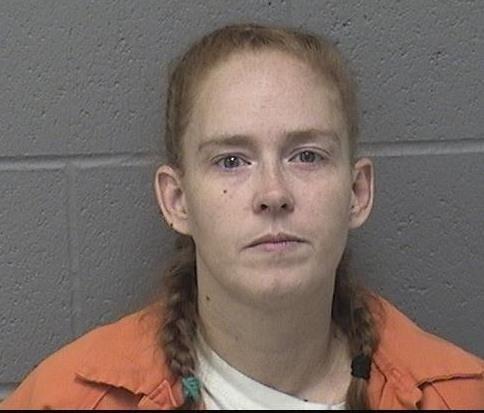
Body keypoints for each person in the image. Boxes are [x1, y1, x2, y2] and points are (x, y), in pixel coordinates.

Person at [1, 23, 483, 410]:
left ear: (357, 193)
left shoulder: (460, 396)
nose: (273, 194)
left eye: (307, 156)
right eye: (231, 160)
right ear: (177, 200)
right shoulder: (64, 399)